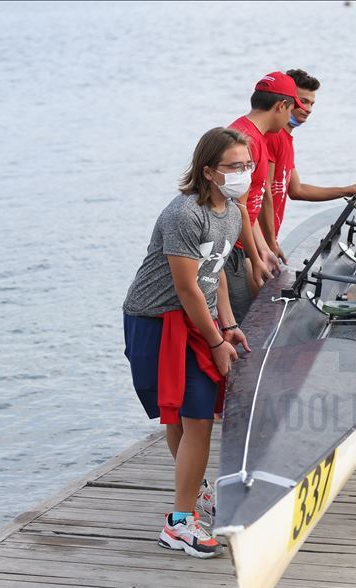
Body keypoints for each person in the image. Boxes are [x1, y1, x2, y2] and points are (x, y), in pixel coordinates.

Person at [122, 127, 253, 558]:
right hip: (156, 321)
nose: (243, 173)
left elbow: (211, 277)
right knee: (179, 418)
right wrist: (216, 341)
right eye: (234, 167)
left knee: (197, 418)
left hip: (198, 318)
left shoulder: (232, 212)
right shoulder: (184, 215)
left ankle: (187, 507)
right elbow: (186, 287)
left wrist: (229, 324)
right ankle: (181, 521)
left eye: (247, 165)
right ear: (208, 171)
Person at [264, 69, 356, 262]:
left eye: (312, 103)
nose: (309, 109)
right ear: (287, 100)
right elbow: (265, 193)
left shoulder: (286, 139)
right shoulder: (273, 137)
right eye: (303, 101)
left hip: (268, 241)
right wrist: (269, 243)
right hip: (257, 244)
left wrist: (347, 190)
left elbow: (297, 190)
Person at [226, 72, 307, 322]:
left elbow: (254, 202)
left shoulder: (257, 137)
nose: (289, 117)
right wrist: (255, 256)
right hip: (230, 251)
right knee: (242, 323)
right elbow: (236, 208)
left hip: (244, 248)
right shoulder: (244, 140)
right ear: (282, 106)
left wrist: (264, 249)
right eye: (291, 109)